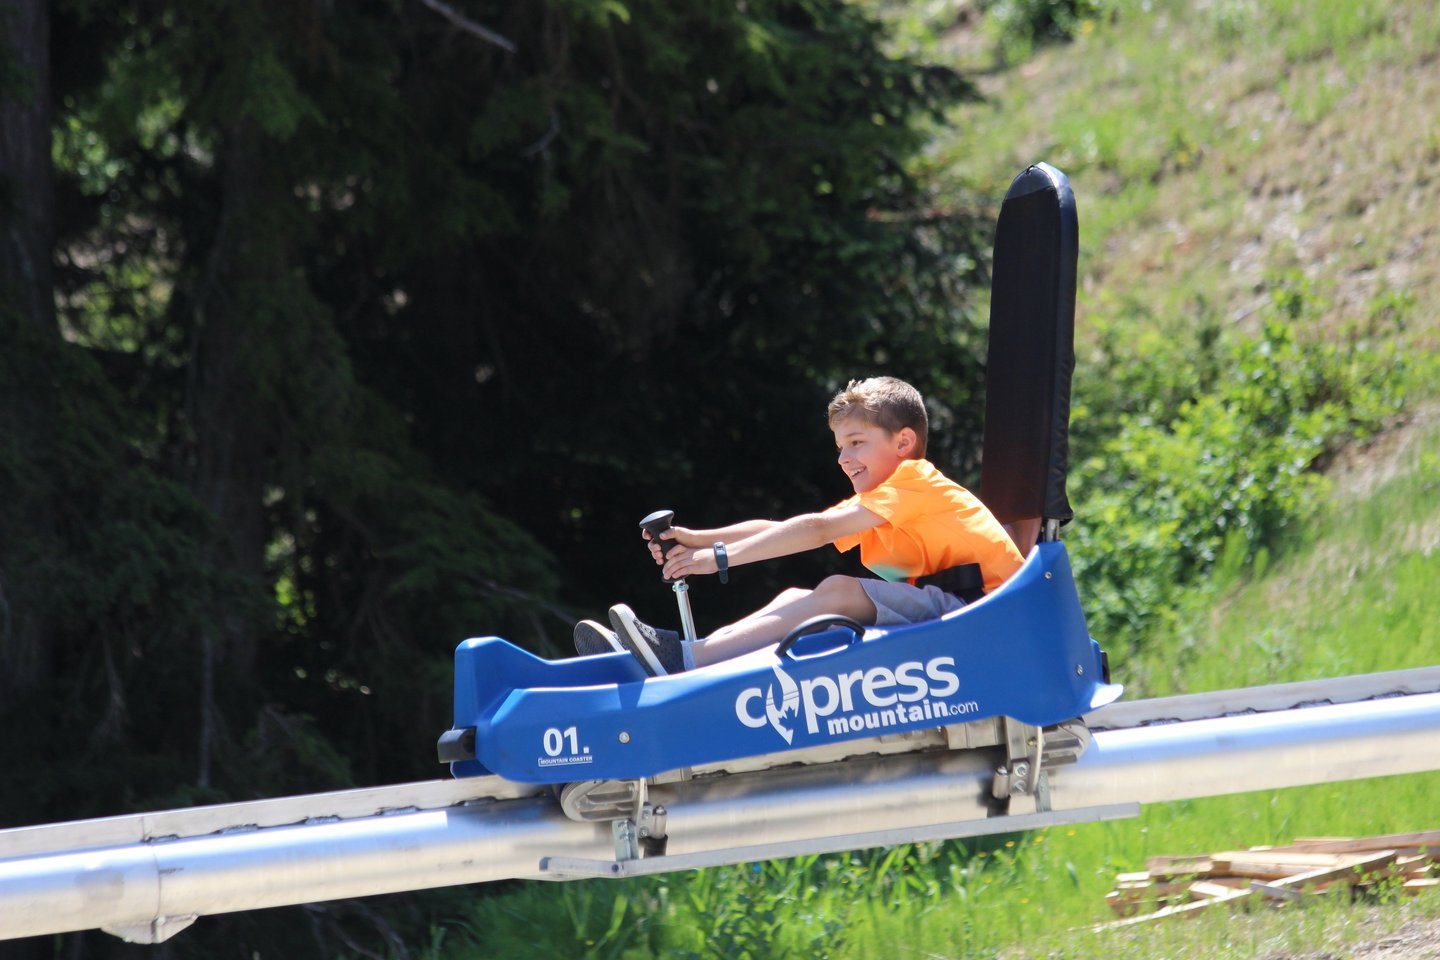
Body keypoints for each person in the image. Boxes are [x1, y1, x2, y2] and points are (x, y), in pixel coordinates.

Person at [574, 376, 1026, 675]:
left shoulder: (915, 480)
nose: (843, 458)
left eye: (856, 442)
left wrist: (720, 558)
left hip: (991, 614)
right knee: (798, 598)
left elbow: (817, 529)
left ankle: (686, 659)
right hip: (957, 607)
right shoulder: (881, 502)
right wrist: (699, 539)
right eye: (839, 447)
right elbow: (789, 525)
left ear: (903, 442)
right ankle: (687, 655)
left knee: (841, 591)